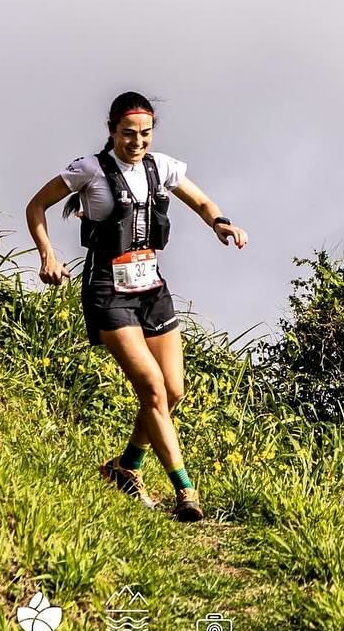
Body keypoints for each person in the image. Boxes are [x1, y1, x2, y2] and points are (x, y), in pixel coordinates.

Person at [25, 93, 248, 523]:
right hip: (107, 289)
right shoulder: (88, 169)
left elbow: (202, 202)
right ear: (112, 131)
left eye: (145, 133)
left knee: (174, 391)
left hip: (151, 288)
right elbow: (36, 205)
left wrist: (221, 223)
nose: (137, 141)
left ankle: (125, 467)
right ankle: (186, 491)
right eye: (129, 134)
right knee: (151, 388)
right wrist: (48, 255)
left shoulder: (161, 166)